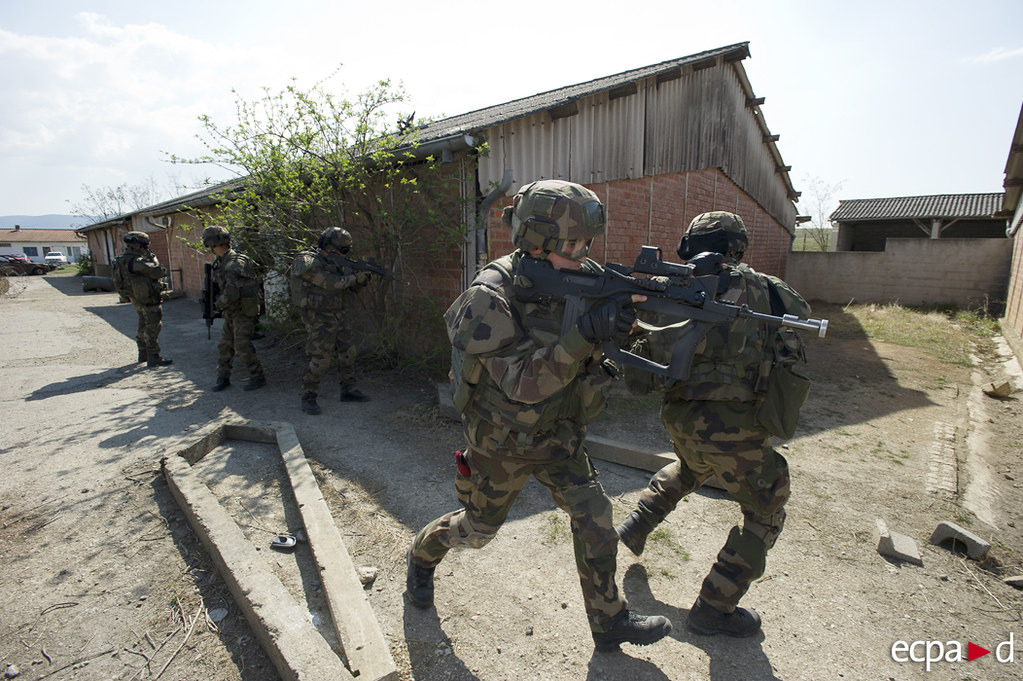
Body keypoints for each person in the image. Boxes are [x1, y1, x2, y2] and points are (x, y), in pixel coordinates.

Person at [405, 179, 672, 653]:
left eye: (587, 243)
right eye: (571, 244)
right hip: (501, 442)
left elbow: (600, 353)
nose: (582, 253)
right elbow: (523, 385)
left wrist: (620, 330)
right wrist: (586, 332)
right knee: (476, 531)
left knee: (596, 517)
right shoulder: (489, 296)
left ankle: (609, 623)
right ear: (535, 240)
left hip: (558, 437)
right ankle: (422, 555)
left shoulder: (585, 278)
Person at [616, 211, 811, 638]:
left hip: (682, 419)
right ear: (738, 247)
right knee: (767, 506)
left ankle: (636, 525)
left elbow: (644, 356)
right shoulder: (768, 291)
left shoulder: (674, 289)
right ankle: (714, 607)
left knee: (691, 468)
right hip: (736, 428)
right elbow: (800, 319)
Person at [291, 226, 372, 414]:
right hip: (318, 317)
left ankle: (349, 390)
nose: (344, 253)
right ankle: (309, 396)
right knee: (320, 359)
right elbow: (331, 283)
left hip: (339, 314)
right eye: (342, 249)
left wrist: (362, 279)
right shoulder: (307, 261)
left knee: (348, 352)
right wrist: (355, 277)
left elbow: (348, 289)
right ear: (329, 246)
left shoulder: (338, 263)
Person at [202, 226, 266, 392]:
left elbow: (232, 292)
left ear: (212, 244)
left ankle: (257, 376)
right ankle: (223, 377)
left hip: (243, 311)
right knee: (224, 345)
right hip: (232, 312)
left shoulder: (233, 263)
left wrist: (217, 304)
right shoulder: (223, 261)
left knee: (242, 346)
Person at [112, 231, 173, 367]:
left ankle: (142, 353)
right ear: (138, 246)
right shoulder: (137, 261)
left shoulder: (121, 260)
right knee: (153, 327)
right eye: (145, 246)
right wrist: (154, 259)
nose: (146, 249)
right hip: (148, 299)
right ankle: (153, 356)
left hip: (136, 298)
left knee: (142, 324)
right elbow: (158, 271)